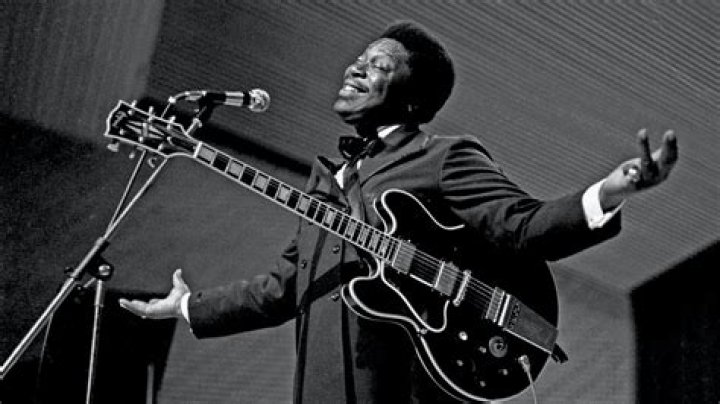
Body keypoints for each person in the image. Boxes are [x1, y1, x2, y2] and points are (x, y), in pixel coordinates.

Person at [119, 21, 678, 403]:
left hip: (405, 387)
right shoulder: (327, 185)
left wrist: (611, 190)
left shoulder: (440, 156)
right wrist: (188, 307)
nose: (355, 69)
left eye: (378, 65)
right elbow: (282, 289)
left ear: (413, 96)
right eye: (358, 60)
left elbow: (522, 226)